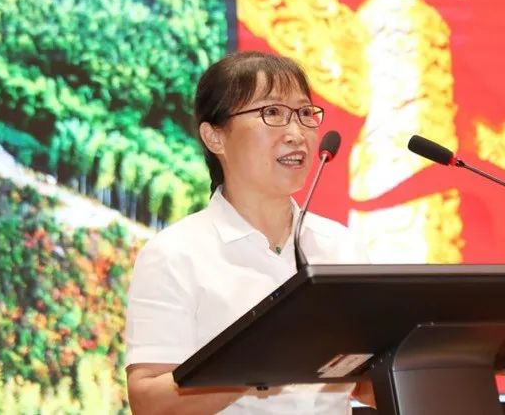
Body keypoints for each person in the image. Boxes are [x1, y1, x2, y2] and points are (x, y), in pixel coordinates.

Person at [125, 50, 374, 414]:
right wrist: (259, 360)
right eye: (272, 113)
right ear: (215, 137)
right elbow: (149, 401)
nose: (297, 134)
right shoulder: (175, 254)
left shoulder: (340, 246)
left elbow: (365, 383)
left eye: (305, 114)